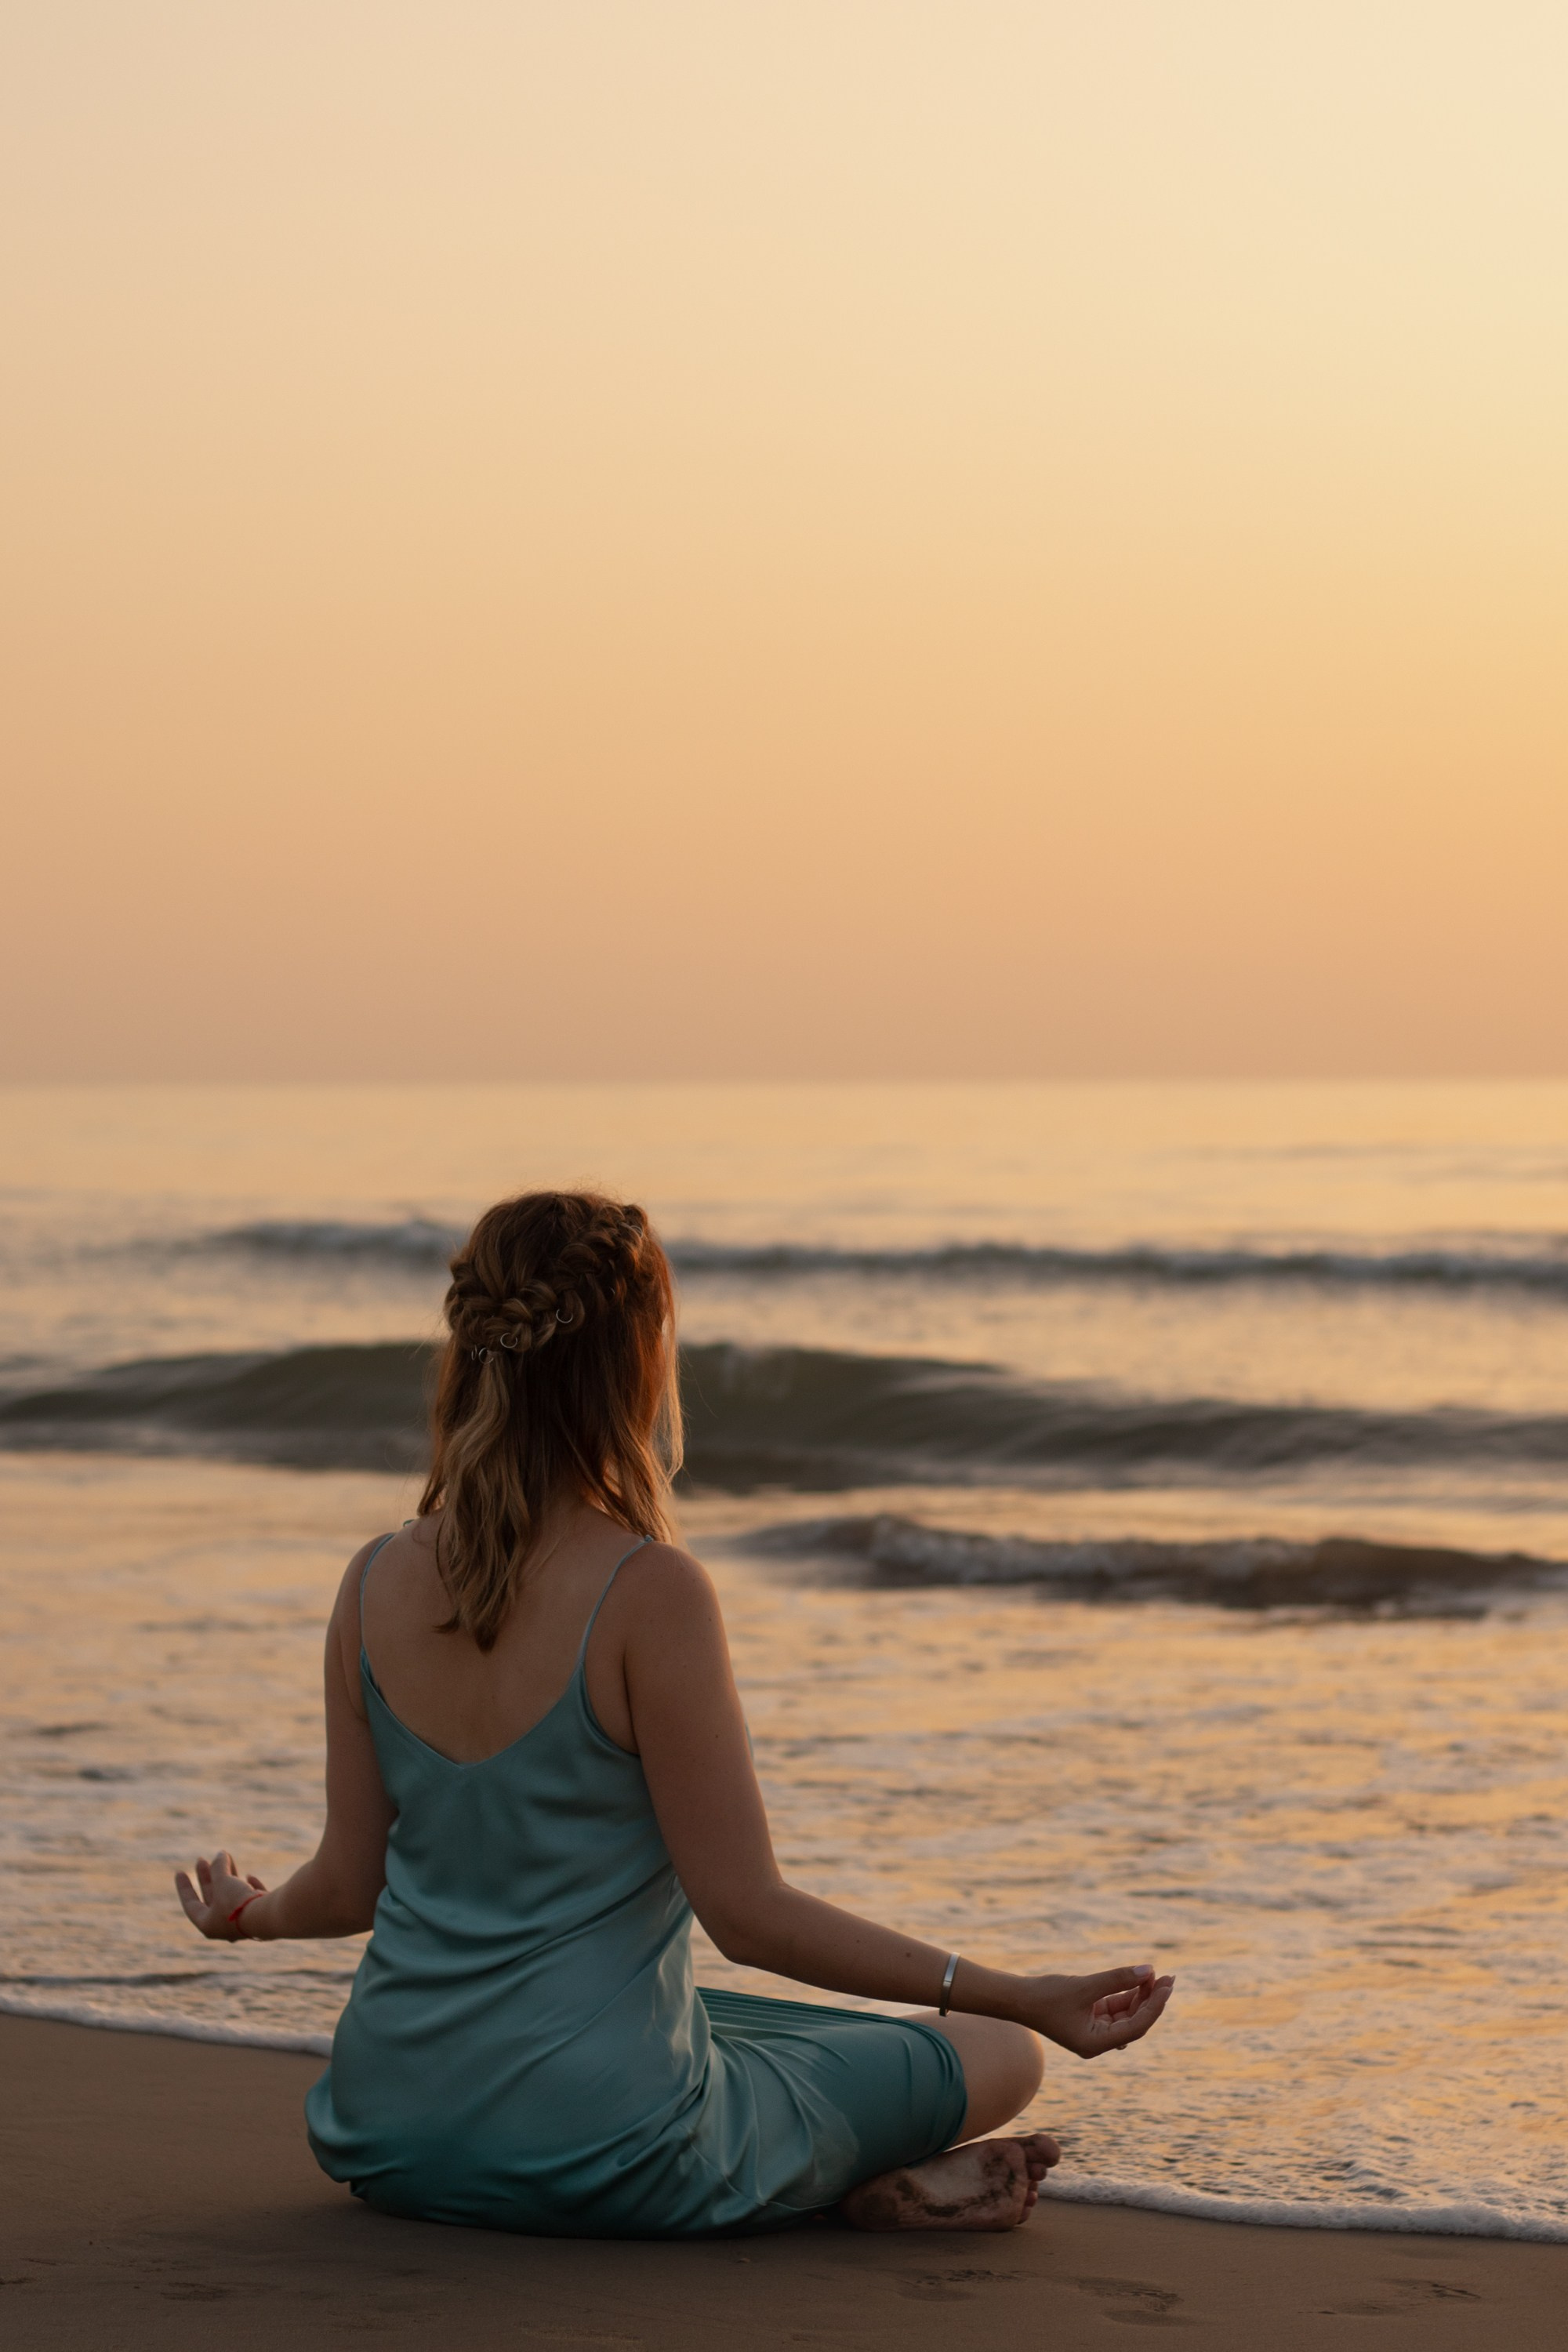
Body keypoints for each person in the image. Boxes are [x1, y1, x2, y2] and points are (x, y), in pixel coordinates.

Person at [176, 1190, 1173, 2236]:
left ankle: (841, 2165)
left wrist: (248, 1915)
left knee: (714, 2021)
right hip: (607, 2147)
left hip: (392, 2129)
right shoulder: (651, 1592)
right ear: (638, 1358)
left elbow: (346, 1886)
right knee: (994, 2049)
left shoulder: (373, 1579)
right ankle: (850, 2173)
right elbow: (747, 1918)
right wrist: (1023, 1995)